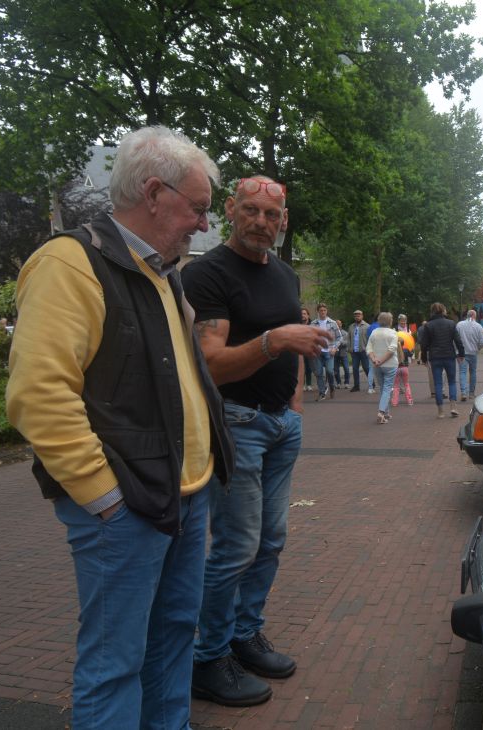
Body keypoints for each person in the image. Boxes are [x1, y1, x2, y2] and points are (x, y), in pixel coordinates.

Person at [5, 125, 235, 729]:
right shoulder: (69, 263)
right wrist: (104, 498)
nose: (203, 224)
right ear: (154, 193)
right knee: (115, 662)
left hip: (183, 495)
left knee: (173, 639)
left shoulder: (161, 270)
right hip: (128, 503)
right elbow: (38, 395)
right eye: (198, 208)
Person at [183, 175, 330, 706]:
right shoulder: (206, 273)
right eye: (251, 210)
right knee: (236, 547)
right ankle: (208, 658)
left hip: (281, 425)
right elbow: (211, 366)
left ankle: (244, 635)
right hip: (236, 424)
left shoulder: (286, 275)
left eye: (272, 215)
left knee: (270, 541)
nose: (261, 222)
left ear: (283, 220)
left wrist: (295, 404)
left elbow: (298, 347)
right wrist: (274, 341)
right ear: (230, 209)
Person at [417, 302, 465, 418]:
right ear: (443, 310)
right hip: (449, 356)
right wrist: (461, 354)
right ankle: (453, 407)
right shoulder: (451, 323)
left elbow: (424, 344)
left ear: (432, 311)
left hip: (435, 357)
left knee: (438, 384)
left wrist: (424, 358)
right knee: (452, 382)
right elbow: (458, 340)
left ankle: (441, 411)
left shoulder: (428, 325)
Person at [366, 312, 400, 423]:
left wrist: (374, 359)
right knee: (387, 388)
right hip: (390, 364)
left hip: (376, 364)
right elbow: (392, 349)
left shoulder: (374, 332)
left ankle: (386, 412)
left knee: (382, 388)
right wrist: (382, 360)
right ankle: (381, 412)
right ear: (390, 321)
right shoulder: (393, 333)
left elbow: (369, 348)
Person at [312, 303, 341, 401]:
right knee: (319, 373)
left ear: (327, 311)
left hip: (329, 351)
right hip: (318, 352)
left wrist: (334, 348)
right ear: (318, 311)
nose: (323, 312)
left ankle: (332, 387)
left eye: (324, 310)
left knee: (329, 371)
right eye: (321, 310)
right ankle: (322, 392)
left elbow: (339, 337)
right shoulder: (313, 324)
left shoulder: (333, 323)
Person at [455, 308, 483, 400]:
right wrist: (477, 349)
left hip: (462, 353)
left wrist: (456, 351)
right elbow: (481, 342)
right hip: (473, 352)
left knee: (462, 372)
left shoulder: (459, 325)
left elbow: (455, 339)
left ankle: (463, 392)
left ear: (467, 316)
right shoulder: (479, 326)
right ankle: (471, 393)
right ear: (474, 316)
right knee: (473, 372)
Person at [347, 310, 371, 392]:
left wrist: (369, 349)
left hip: (364, 350)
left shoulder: (367, 326)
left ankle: (372, 383)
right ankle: (356, 386)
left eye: (359, 315)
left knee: (366, 368)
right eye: (356, 316)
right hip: (354, 351)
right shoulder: (351, 326)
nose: (357, 317)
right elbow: (348, 338)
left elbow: (370, 339)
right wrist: (349, 348)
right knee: (355, 369)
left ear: (362, 316)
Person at [392, 327, 415, 407]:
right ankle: (409, 401)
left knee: (396, 386)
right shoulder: (406, 350)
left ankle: (394, 402)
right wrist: (412, 349)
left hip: (396, 369)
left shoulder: (393, 350)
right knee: (406, 384)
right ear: (403, 343)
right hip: (405, 368)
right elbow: (411, 354)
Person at [300, 307, 315, 392]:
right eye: (301, 314)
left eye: (304, 314)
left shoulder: (312, 325)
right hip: (299, 350)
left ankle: (309, 384)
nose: (303, 315)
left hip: (309, 349)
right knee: (301, 368)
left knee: (309, 368)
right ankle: (302, 385)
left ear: (308, 315)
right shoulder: (297, 325)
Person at [333, 317, 350, 387]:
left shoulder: (345, 333)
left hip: (343, 353)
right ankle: (338, 383)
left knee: (346, 368)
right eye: (336, 324)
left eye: (339, 324)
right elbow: (331, 343)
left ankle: (347, 383)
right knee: (336, 369)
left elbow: (347, 343)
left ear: (341, 324)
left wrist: (339, 342)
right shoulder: (332, 333)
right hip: (335, 354)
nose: (338, 325)